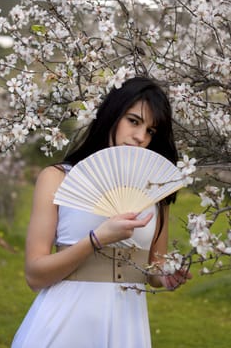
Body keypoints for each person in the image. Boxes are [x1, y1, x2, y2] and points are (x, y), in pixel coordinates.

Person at [11, 76, 192, 348]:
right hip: (64, 323)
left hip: (127, 327)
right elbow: (35, 276)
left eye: (151, 131)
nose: (141, 137)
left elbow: (153, 270)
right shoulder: (58, 178)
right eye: (133, 121)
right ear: (112, 115)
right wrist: (96, 239)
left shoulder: (156, 190)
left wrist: (165, 276)